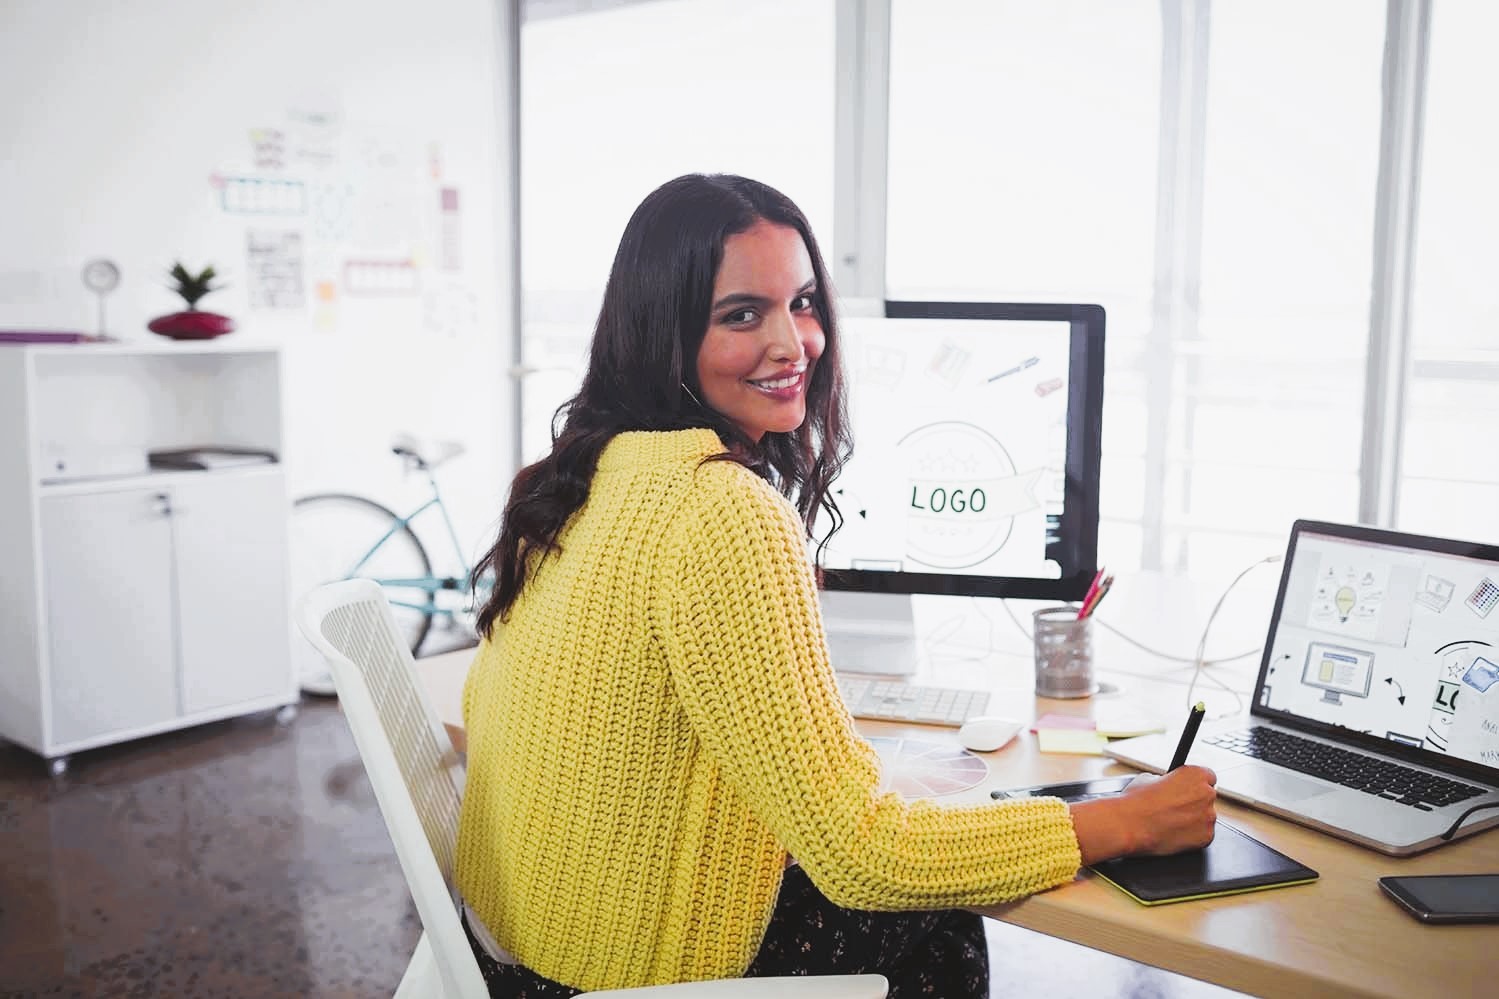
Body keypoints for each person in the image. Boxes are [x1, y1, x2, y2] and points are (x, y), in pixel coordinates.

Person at [454, 173, 1217, 998]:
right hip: (629, 979)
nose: (794, 343)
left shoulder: (581, 473)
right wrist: (1122, 821)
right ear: (662, 333)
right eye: (741, 314)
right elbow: (863, 857)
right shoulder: (721, 509)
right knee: (936, 900)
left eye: (805, 302)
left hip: (524, 949)